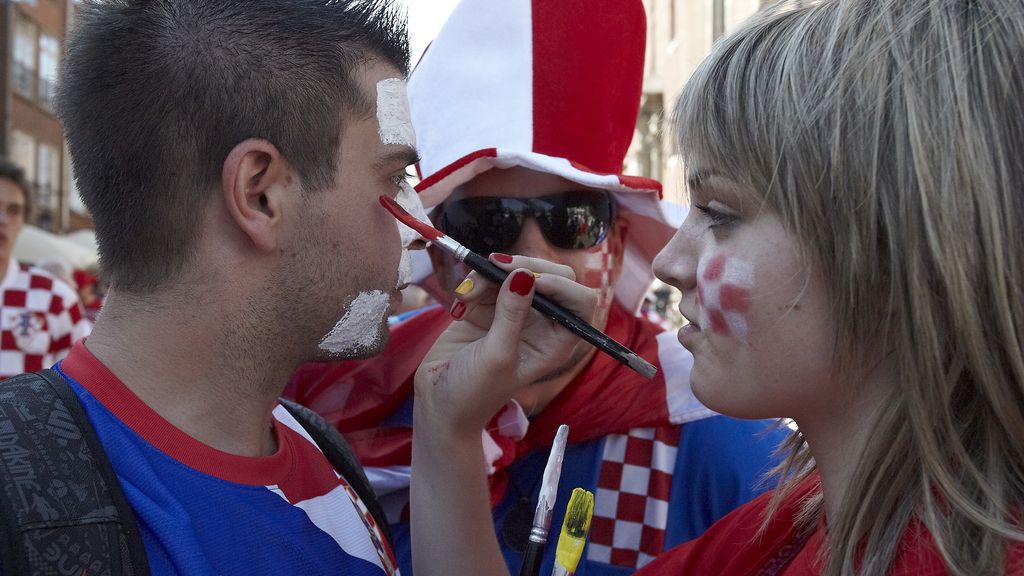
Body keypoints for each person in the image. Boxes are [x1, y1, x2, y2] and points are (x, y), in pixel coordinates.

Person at [403, 0, 1024, 574]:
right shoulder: (792, 528)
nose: (668, 261)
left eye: (720, 214)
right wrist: (447, 430)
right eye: (482, 224)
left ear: (892, 255)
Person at [286, 0, 789, 573]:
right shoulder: (345, 394)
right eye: (488, 224)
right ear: (444, 257)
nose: (531, 258)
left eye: (572, 220)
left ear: (617, 245)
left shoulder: (718, 429)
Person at [3, 1, 432, 573]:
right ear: (260, 193)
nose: (424, 227)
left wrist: (449, 433)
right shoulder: (17, 500)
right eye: (396, 177)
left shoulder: (327, 457)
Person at [0, 158, 91, 379]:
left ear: (23, 220)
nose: (2, 219)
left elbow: (83, 383)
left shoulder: (55, 298)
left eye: (13, 210)